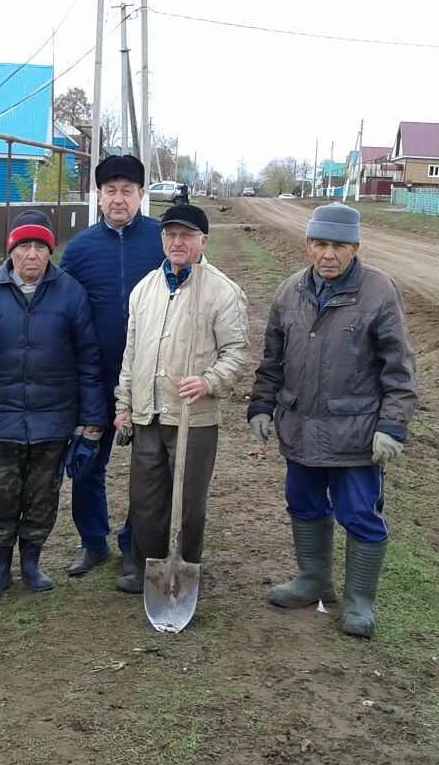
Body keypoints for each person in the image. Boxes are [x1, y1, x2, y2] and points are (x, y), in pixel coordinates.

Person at [247, 203, 417, 638]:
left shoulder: (379, 292)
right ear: (307, 246)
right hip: (300, 429)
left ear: (355, 248)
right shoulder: (289, 293)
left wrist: (392, 426)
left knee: (359, 514)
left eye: (339, 246)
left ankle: (360, 600)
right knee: (303, 505)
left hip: (355, 435)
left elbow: (399, 367)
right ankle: (313, 579)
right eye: (320, 244)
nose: (328, 254)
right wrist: (262, 406)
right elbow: (272, 361)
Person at [0, 211, 106, 602]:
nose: (32, 256)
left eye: (40, 247)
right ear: (12, 251)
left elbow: (88, 359)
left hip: (53, 418)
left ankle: (31, 565)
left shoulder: (70, 292)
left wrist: (91, 420)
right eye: (24, 247)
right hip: (3, 419)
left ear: (49, 253)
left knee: (42, 496)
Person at [111, 204, 250, 594]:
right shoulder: (145, 289)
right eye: (170, 235)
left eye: (186, 236)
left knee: (187, 503)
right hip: (146, 416)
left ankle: (184, 570)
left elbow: (237, 352)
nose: (177, 242)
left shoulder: (222, 292)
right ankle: (144, 569)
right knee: (145, 498)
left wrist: (209, 381)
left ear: (203, 241)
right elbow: (131, 353)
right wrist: (124, 406)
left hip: (194, 417)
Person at [58, 154, 164, 577]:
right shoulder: (81, 249)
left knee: (150, 468)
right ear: (98, 196)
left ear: (141, 195)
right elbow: (61, 310)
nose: (118, 199)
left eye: (127, 190)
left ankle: (135, 544)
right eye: (110, 191)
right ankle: (92, 541)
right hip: (94, 377)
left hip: (151, 378)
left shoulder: (161, 240)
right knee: (87, 463)